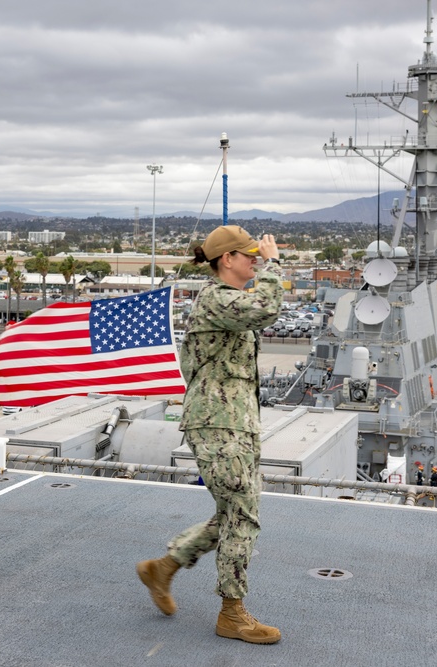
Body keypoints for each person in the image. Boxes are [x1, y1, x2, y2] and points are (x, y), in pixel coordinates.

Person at [137, 225, 283, 644]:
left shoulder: (228, 298)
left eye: (258, 255)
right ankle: (232, 613)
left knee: (237, 511)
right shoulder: (217, 298)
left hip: (236, 422)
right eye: (249, 254)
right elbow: (265, 309)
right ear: (227, 260)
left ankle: (163, 568)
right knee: (243, 514)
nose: (255, 259)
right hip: (218, 422)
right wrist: (273, 266)